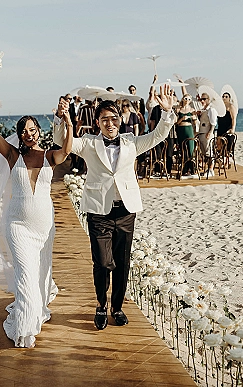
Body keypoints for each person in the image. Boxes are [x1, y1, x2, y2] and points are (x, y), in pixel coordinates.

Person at [53, 84, 176, 330]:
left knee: (122, 262)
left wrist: (166, 113)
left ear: (119, 120)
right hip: (99, 210)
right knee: (102, 262)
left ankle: (117, 307)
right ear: (97, 122)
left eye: (113, 118)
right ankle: (100, 306)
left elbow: (158, 136)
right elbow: (61, 141)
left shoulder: (131, 142)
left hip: (126, 210)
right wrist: (60, 118)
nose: (110, 123)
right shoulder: (88, 143)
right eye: (104, 119)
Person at [0, 95, 73, 348]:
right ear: (20, 135)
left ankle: (36, 308)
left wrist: (68, 123)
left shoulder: (49, 157)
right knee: (25, 275)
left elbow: (66, 150)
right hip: (17, 227)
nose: (28, 133)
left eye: (32, 129)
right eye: (24, 131)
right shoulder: (12, 156)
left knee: (41, 273)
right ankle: (24, 327)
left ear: (38, 132)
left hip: (43, 227)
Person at [175, 93, 199, 179]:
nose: (187, 101)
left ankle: (192, 169)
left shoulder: (192, 109)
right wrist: (182, 118)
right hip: (181, 130)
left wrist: (196, 132)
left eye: (189, 99)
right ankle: (184, 170)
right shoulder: (179, 110)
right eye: (185, 99)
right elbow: (176, 123)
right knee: (183, 150)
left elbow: (196, 123)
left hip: (189, 130)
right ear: (183, 99)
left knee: (190, 150)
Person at [197, 93, 218, 176]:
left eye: (204, 99)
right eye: (201, 99)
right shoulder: (203, 110)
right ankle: (207, 169)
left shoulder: (211, 110)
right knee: (204, 152)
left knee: (209, 152)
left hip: (207, 133)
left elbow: (213, 122)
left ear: (208, 100)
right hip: (201, 132)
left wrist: (210, 132)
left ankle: (211, 169)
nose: (202, 101)